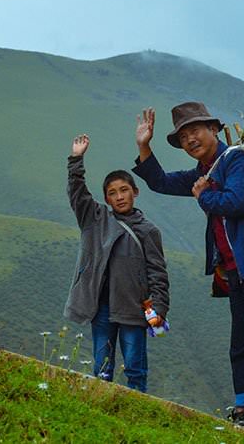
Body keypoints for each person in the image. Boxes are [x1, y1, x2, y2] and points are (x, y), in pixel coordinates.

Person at [131, 102, 244, 425]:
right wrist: (144, 145)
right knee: (240, 340)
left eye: (195, 131)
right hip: (236, 269)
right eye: (184, 136)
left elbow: (237, 202)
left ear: (214, 129)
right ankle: (242, 405)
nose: (190, 139)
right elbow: (161, 182)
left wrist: (204, 196)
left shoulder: (237, 161)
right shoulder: (204, 172)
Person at [63, 133, 170, 393]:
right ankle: (101, 408)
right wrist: (76, 159)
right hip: (99, 308)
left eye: (124, 190)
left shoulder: (148, 230)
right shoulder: (94, 220)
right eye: (112, 193)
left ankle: (138, 411)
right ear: (107, 199)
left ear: (135, 192)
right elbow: (77, 194)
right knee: (102, 366)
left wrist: (159, 309)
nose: (119, 196)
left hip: (134, 308)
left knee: (135, 367)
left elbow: (158, 273)